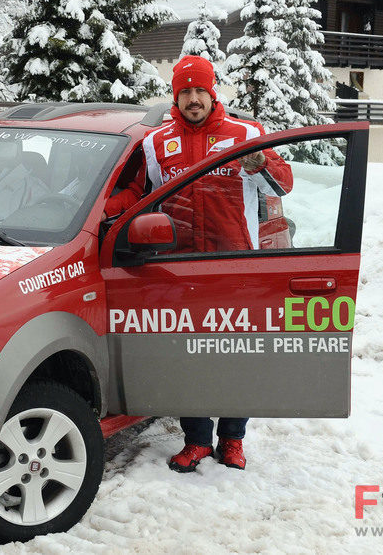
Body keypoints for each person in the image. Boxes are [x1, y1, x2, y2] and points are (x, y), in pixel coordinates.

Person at [104, 54, 293, 473]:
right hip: (178, 266)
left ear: (212, 92)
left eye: (199, 91)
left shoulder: (246, 134)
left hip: (234, 265)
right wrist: (102, 211)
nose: (193, 99)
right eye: (185, 91)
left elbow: (285, 182)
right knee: (185, 355)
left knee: (235, 356)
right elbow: (138, 192)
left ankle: (232, 439)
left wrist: (261, 162)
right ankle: (196, 441)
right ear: (176, 95)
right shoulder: (156, 143)